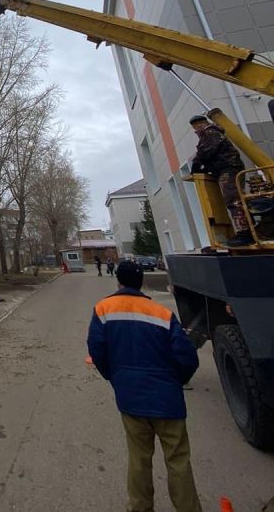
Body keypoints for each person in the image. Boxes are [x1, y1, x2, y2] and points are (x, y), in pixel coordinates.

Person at [87, 260, 201, 512]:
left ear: (118, 280)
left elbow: (97, 349)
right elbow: (187, 357)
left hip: (130, 398)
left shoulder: (103, 309)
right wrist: (175, 381)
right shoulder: (162, 314)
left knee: (139, 459)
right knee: (178, 460)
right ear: (141, 283)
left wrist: (116, 377)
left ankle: (140, 507)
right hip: (168, 400)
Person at [189, 113, 250, 247]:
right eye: (195, 127)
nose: (197, 129)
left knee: (233, 199)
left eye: (198, 125)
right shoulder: (212, 133)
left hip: (228, 169)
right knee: (234, 198)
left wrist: (196, 166)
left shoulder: (210, 133)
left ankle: (245, 233)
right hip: (226, 169)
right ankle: (245, 230)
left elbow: (205, 152)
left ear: (202, 124)